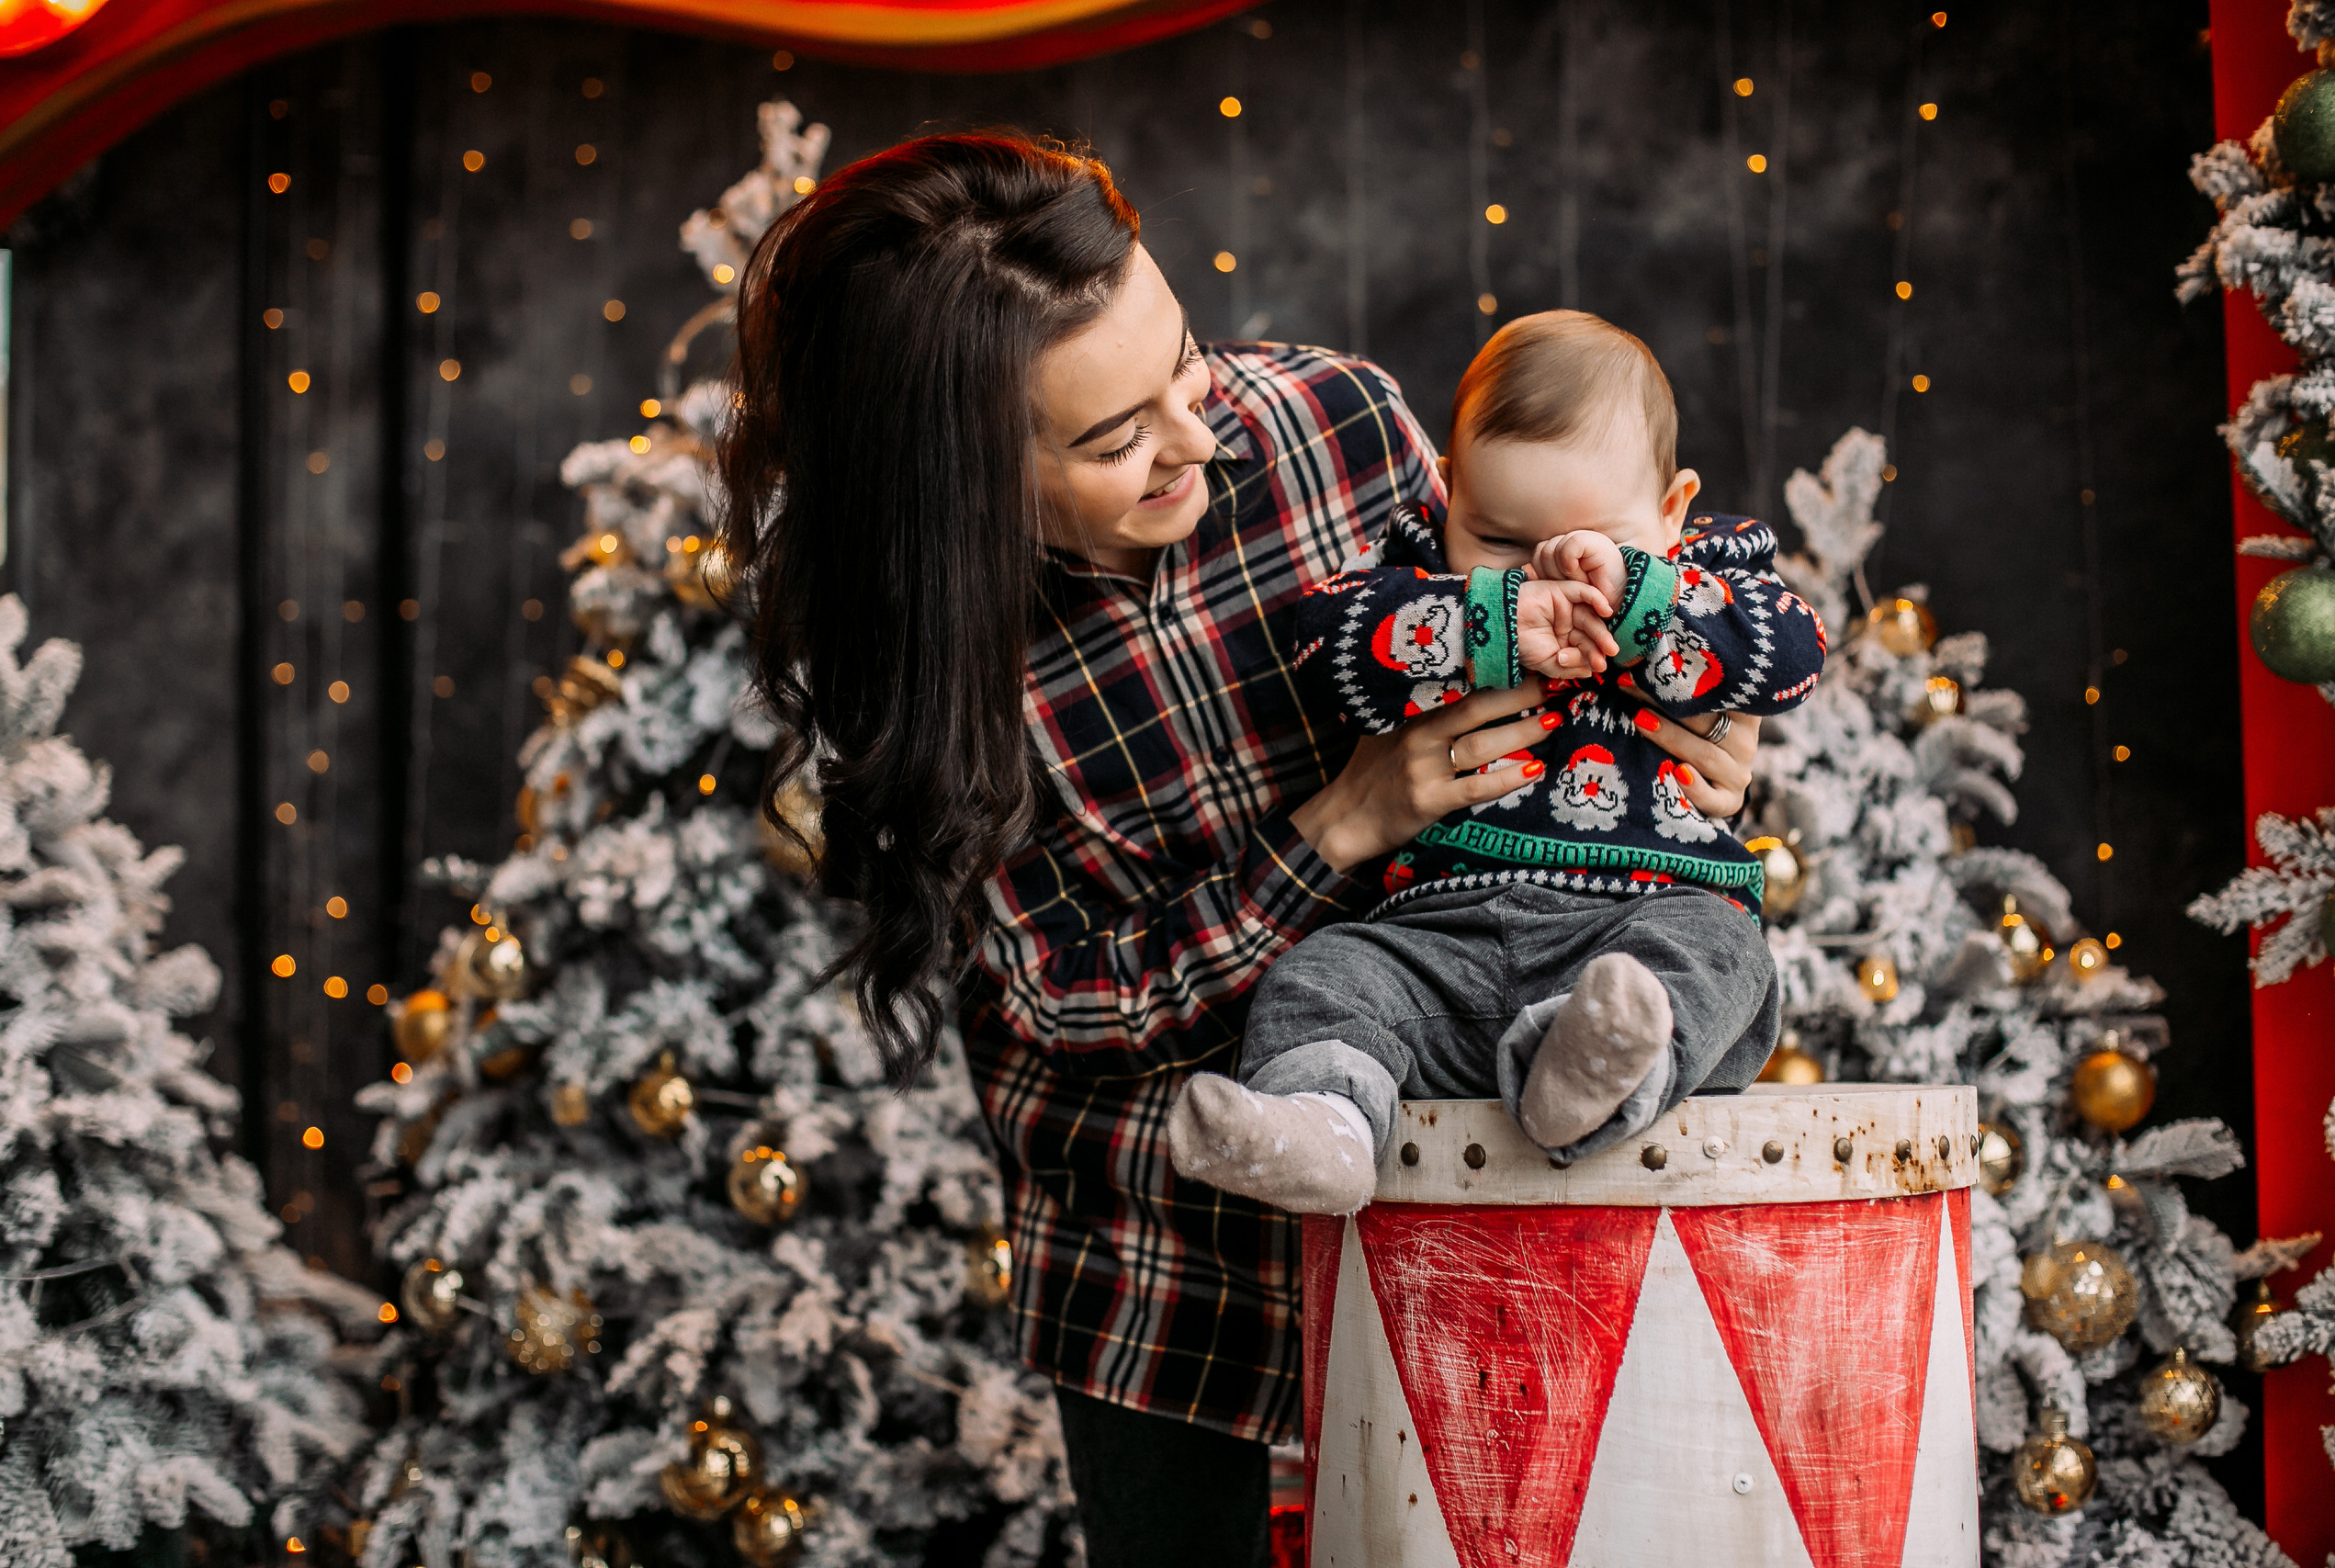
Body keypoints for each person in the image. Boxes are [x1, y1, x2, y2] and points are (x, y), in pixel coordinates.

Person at [716, 138, 1760, 1567]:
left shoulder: (1340, 424)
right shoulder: (920, 658)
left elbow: (1551, 657)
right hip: (1157, 1260)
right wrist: (1334, 830)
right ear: (959, 476)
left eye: (1184, 366)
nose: (1199, 439)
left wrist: (1697, 742)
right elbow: (1067, 1002)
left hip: (1441, 1185)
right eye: (1110, 440)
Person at [1168, 310, 1827, 1216]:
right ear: (1448, 494)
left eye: (1598, 541)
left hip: (1638, 926)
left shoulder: (1706, 576)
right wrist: (1484, 618)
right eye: (1501, 543)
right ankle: (1323, 1124)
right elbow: (1325, 649)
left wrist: (1636, 597)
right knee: (1322, 975)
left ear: (1671, 511)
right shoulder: (1417, 575)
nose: (1550, 579)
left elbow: (1793, 648)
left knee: (1723, 950)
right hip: (1439, 941)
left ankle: (1592, 1075)